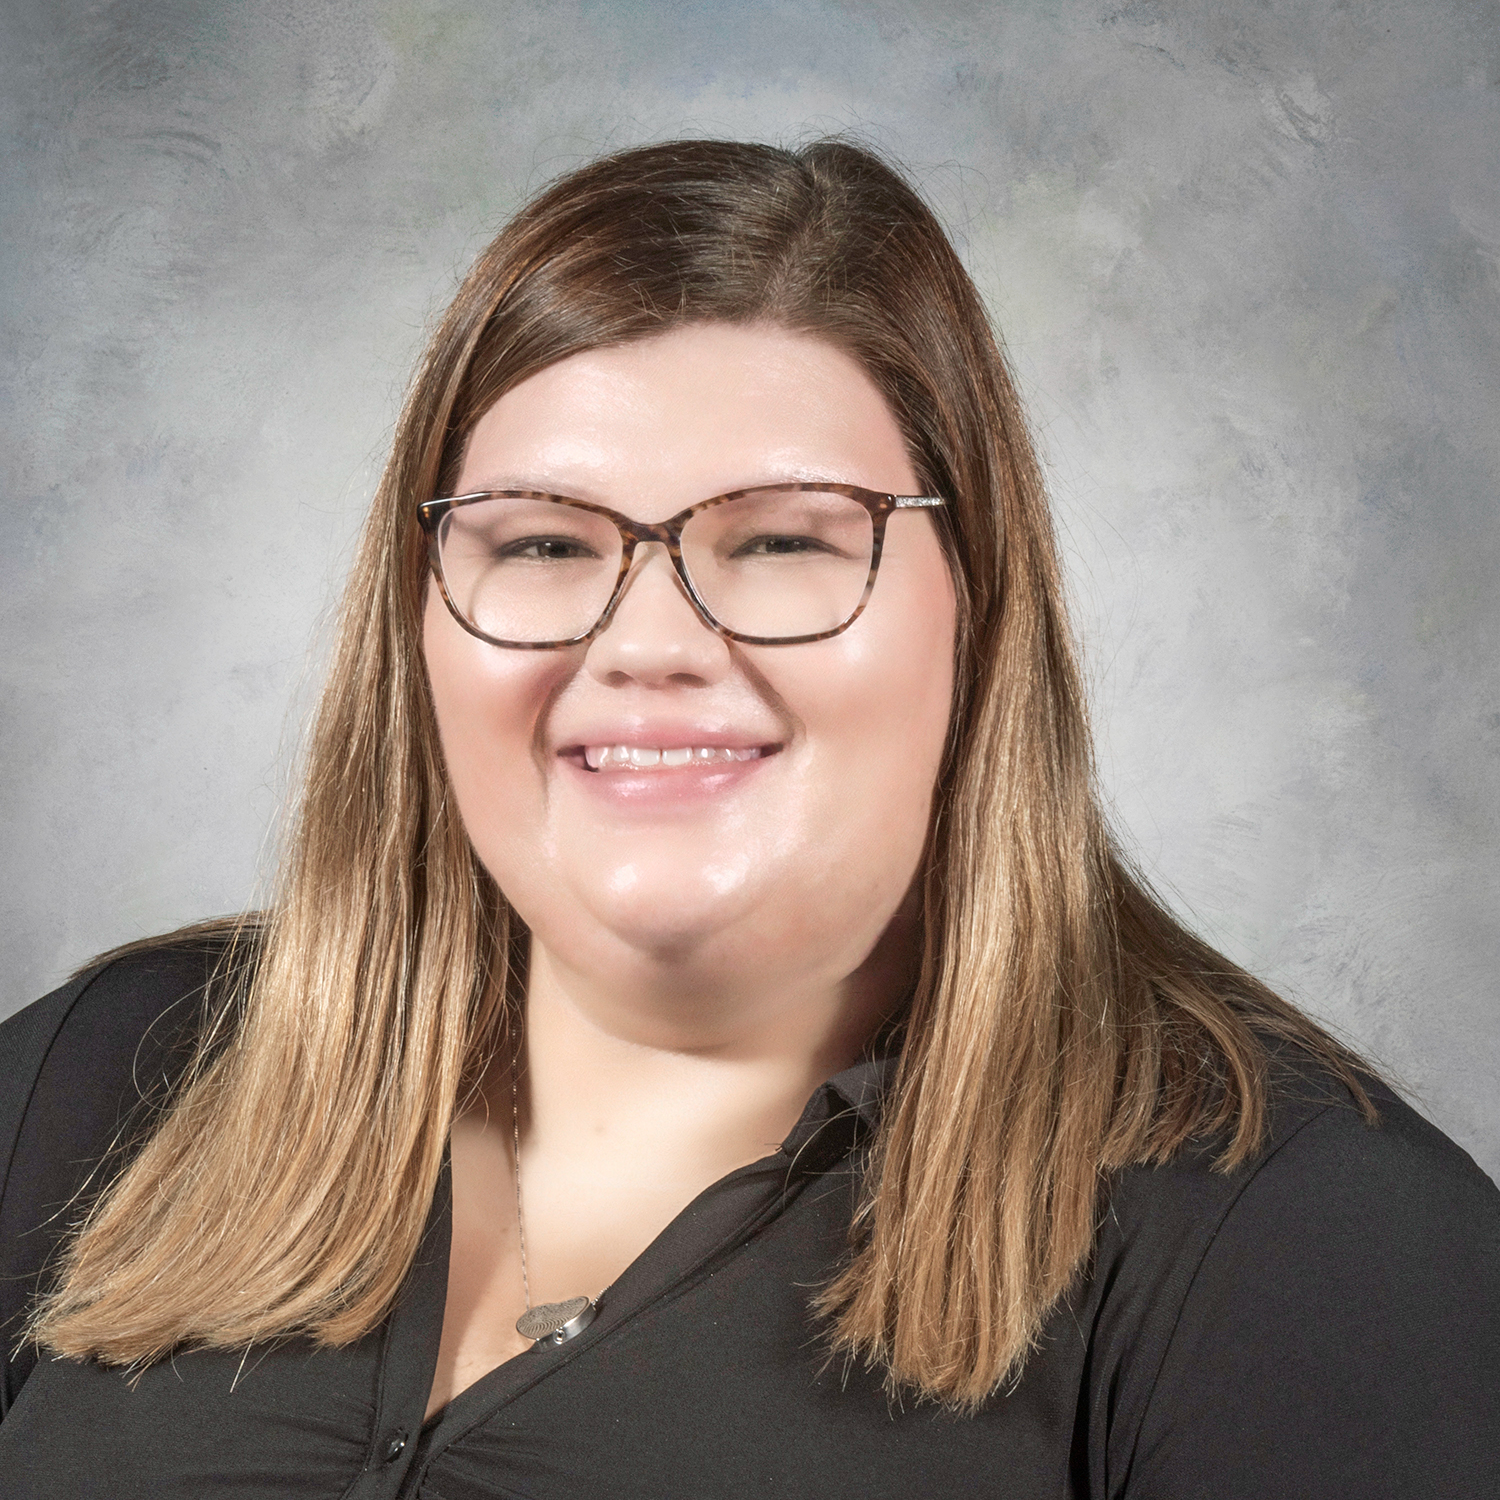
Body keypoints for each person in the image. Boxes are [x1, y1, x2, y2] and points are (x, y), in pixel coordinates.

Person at [0, 138, 1495, 1499]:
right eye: (540, 541)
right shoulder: (99, 1083)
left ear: (976, 611)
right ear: (420, 621)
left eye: (781, 540)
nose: (649, 641)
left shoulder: (1310, 1246)